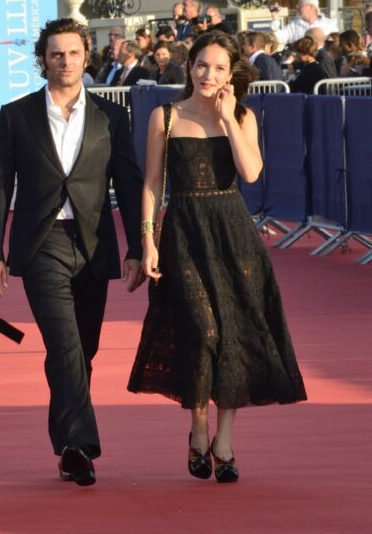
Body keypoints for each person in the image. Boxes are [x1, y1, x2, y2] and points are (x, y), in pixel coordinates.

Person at [128, 32, 307, 482]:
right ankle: (198, 426)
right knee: (203, 331)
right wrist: (148, 240)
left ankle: (223, 442)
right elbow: (152, 182)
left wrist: (227, 118)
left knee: (232, 338)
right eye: (202, 65)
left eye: (220, 68)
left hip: (232, 234)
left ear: (231, 75)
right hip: (184, 233)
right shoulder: (164, 116)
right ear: (189, 67)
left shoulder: (242, 116)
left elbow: (250, 172)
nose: (209, 75)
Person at [0, 18, 144, 488]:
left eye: (73, 53)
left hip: (93, 243)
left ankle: (66, 437)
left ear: (86, 58)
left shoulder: (111, 118)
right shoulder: (16, 115)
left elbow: (129, 185)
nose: (65, 62)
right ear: (42, 61)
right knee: (65, 342)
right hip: (42, 242)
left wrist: (137, 245)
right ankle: (79, 445)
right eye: (56, 54)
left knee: (83, 349)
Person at [271, 0, 339, 46]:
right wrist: (275, 19)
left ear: (312, 7)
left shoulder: (328, 24)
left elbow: (336, 43)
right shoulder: (294, 25)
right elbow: (280, 39)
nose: (297, 7)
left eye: (301, 5)